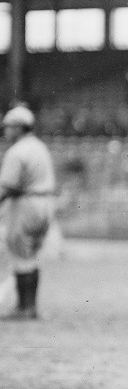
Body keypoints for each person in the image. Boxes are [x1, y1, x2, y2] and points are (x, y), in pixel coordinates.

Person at [0, 105, 57, 320]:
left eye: (9, 127)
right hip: (45, 203)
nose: (6, 131)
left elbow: (7, 186)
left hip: (25, 204)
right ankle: (30, 306)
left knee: (20, 253)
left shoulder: (17, 151)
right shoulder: (39, 147)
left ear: (19, 128)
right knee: (31, 256)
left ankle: (24, 308)